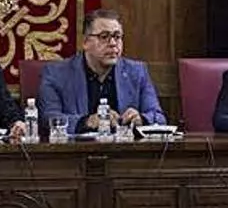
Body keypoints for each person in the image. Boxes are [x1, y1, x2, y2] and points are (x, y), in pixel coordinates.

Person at [38, 8, 166, 134]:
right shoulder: (56, 73)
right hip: (79, 147)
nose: (113, 43)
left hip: (125, 146)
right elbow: (48, 118)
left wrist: (141, 119)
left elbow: (158, 117)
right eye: (104, 37)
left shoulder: (136, 72)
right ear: (85, 42)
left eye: (117, 37)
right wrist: (87, 122)